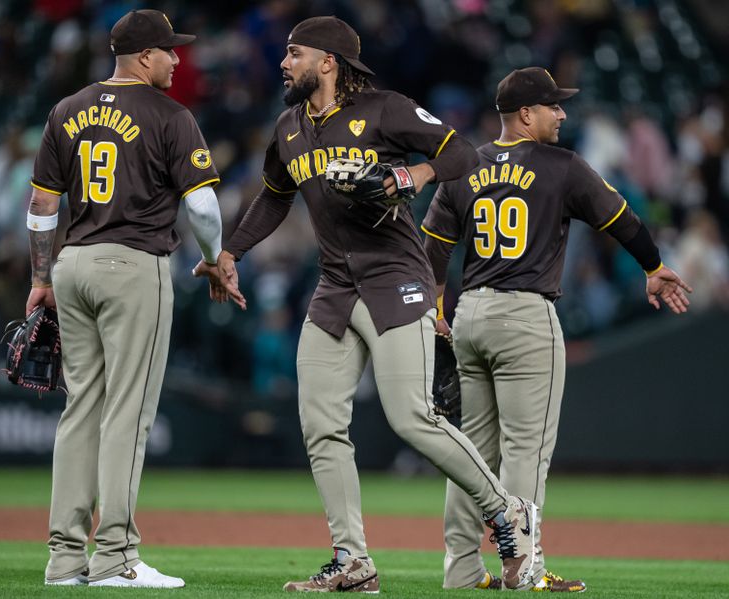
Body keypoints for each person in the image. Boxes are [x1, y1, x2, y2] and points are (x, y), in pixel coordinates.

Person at [201, 16, 540, 593]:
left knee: (411, 415)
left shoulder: (384, 110)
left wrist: (413, 174)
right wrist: (230, 251)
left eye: (294, 53)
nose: (284, 63)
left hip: (394, 276)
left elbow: (461, 154)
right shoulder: (288, 127)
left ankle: (508, 510)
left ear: (327, 62)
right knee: (320, 424)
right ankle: (352, 561)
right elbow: (274, 198)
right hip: (335, 283)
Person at [422, 67, 693, 592]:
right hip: (525, 317)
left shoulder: (462, 166)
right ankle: (523, 566)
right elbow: (622, 219)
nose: (562, 114)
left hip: (470, 314)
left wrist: (436, 313)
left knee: (472, 450)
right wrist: (653, 266)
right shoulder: (561, 166)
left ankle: (460, 570)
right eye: (553, 106)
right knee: (526, 449)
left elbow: (431, 249)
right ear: (526, 114)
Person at [25, 9, 244, 589]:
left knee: (80, 411)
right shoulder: (170, 115)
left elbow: (43, 207)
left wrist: (40, 279)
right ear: (144, 56)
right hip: (132, 265)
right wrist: (217, 259)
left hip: (72, 265)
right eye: (170, 50)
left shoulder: (65, 110)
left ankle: (64, 560)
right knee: (128, 412)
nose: (178, 59)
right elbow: (200, 206)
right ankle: (116, 557)